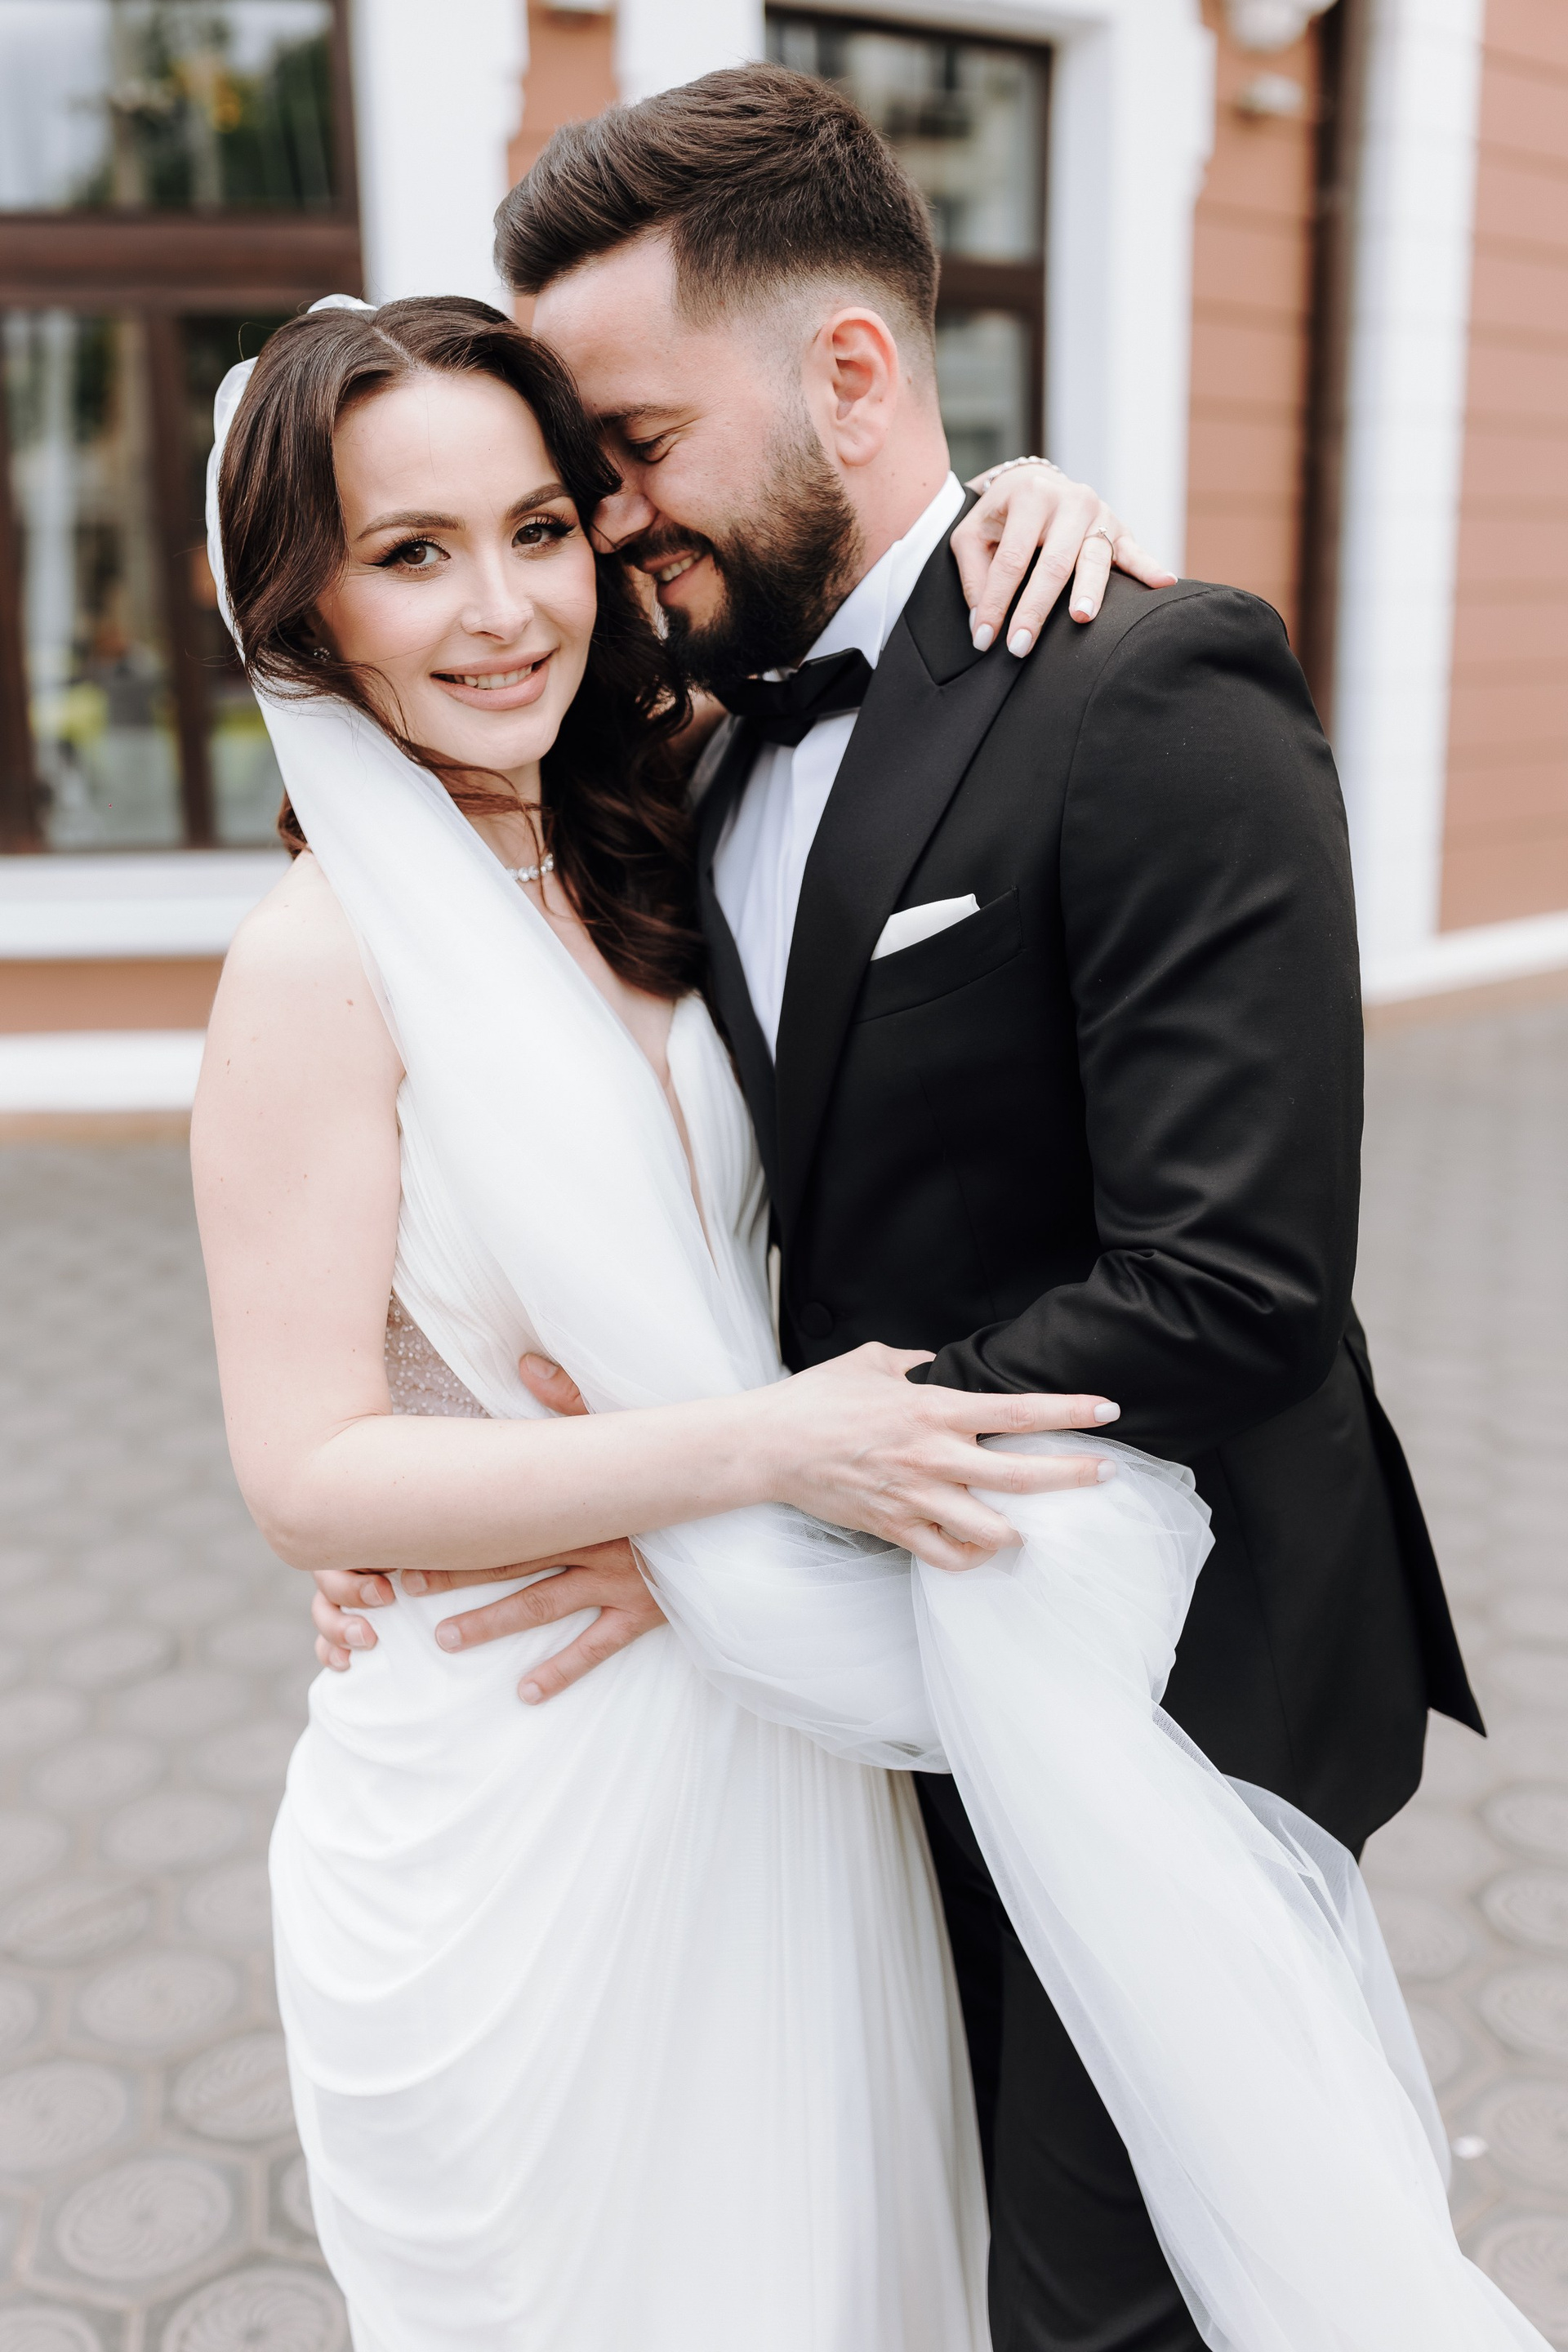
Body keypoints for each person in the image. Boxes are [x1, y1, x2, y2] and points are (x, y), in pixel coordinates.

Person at [301, 63, 1496, 2352]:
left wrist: (731, 1494)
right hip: (857, 1678)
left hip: (1163, 1667)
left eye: (631, 447)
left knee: (1120, 2307)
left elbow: (1231, 1285)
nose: (599, 523)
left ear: (850, 373)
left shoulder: (1153, 689)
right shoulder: (686, 734)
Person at [194, 292, 1129, 2352]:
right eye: (412, 553)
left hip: (768, 1730)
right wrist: (761, 1454)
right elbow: (308, 1472)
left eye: (538, 529)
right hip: (522, 1774)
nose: (503, 610)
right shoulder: (312, 967)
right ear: (303, 607)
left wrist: (1030, 503)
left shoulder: (665, 815)